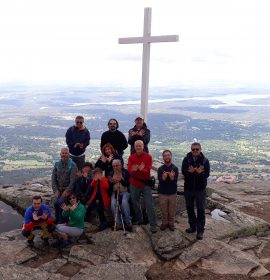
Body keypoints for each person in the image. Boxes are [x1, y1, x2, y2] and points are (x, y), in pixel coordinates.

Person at [181, 142, 210, 240]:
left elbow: (207, 174)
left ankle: (200, 230)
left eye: (197, 149)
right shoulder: (186, 160)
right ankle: (192, 227)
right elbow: (183, 171)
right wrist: (190, 172)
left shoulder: (205, 161)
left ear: (200, 150)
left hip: (200, 189)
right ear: (191, 150)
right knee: (189, 208)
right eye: (193, 149)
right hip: (189, 189)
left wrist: (199, 173)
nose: (195, 151)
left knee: (201, 210)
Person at [128, 140, 157, 233]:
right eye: (136, 146)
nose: (138, 147)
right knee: (135, 203)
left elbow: (147, 170)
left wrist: (139, 169)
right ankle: (140, 221)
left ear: (143, 146)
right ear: (134, 147)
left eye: (140, 146)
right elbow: (130, 170)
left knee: (149, 204)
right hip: (134, 184)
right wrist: (139, 169)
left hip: (145, 184)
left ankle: (153, 225)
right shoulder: (131, 157)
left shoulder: (148, 156)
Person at [52, 147, 78, 223]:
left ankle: (61, 220)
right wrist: (55, 190)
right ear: (60, 154)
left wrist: (66, 192)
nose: (64, 155)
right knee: (55, 202)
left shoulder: (72, 165)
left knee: (59, 202)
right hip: (59, 189)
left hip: (68, 190)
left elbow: (73, 181)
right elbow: (53, 179)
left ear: (68, 154)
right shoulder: (57, 164)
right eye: (63, 153)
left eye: (66, 153)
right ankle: (57, 219)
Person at [158, 150, 179, 231]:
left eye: (168, 155)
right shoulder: (160, 169)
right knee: (164, 210)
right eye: (165, 155)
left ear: (171, 156)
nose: (167, 157)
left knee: (172, 210)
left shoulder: (175, 168)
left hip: (172, 193)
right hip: (162, 193)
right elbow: (160, 181)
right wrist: (163, 178)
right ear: (163, 157)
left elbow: (175, 181)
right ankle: (164, 223)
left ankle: (171, 224)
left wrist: (172, 178)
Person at [108, 159, 132, 231]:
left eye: (117, 165)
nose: (115, 167)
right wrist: (111, 182)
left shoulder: (126, 172)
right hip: (115, 192)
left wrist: (121, 179)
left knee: (124, 203)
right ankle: (118, 223)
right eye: (114, 166)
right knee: (113, 203)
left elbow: (127, 184)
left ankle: (128, 222)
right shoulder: (110, 173)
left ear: (121, 165)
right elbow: (109, 186)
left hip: (125, 191)